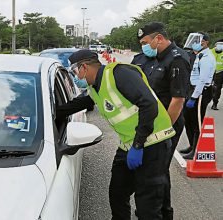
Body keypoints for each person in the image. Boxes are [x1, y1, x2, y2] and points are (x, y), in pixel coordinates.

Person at [59, 49, 175, 220]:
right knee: (118, 193)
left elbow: (149, 104)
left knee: (147, 205)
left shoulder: (118, 74)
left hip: (153, 145)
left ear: (84, 67)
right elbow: (76, 104)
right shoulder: (94, 88)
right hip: (129, 145)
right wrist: (48, 112)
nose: (76, 77)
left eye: (75, 71)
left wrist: (138, 145)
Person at [131, 22, 191, 220]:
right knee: (158, 171)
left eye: (145, 42)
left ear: (158, 38)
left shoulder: (177, 59)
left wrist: (162, 130)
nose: (143, 46)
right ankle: (163, 212)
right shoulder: (151, 58)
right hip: (150, 124)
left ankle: (156, 213)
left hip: (166, 125)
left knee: (157, 171)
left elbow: (178, 99)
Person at [180, 32, 216, 159]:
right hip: (193, 90)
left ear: (205, 42)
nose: (194, 44)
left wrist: (194, 97)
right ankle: (192, 145)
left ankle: (196, 150)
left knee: (196, 122)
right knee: (188, 120)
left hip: (200, 92)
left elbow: (202, 80)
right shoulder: (199, 55)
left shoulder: (207, 58)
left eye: (197, 41)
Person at [211, 39, 223, 110]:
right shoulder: (210, 52)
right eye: (219, 44)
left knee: (218, 88)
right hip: (211, 72)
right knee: (212, 87)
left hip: (220, 72)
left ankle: (215, 103)